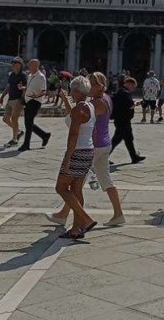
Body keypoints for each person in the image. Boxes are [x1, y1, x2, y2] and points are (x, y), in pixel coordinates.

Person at [49, 71, 126, 229]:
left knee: (71, 186)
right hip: (101, 144)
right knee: (87, 183)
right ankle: (69, 217)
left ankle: (81, 219)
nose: (89, 87)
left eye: (92, 83)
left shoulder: (95, 103)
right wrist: (67, 100)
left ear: (99, 86)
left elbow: (78, 121)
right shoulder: (102, 99)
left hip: (93, 147)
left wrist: (69, 156)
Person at [54, 75, 97, 241]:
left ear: (78, 91)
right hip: (88, 149)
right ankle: (76, 229)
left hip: (77, 151)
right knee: (77, 189)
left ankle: (85, 219)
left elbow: (73, 133)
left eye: (72, 89)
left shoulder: (79, 109)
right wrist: (66, 100)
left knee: (61, 187)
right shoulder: (89, 106)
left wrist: (69, 157)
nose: (71, 91)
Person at [17, 59, 51, 153]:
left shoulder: (41, 77)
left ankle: (26, 144)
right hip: (28, 101)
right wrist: (22, 88)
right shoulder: (30, 75)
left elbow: (44, 90)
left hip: (35, 101)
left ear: (36, 66)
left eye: (31, 65)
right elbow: (29, 87)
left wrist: (37, 95)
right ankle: (44, 135)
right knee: (28, 123)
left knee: (28, 122)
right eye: (29, 65)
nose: (29, 67)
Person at [111, 77, 145, 164]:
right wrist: (137, 103)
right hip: (122, 120)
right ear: (129, 84)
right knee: (116, 140)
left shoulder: (121, 92)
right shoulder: (124, 93)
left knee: (129, 139)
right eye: (133, 87)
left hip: (123, 120)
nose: (134, 89)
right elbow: (129, 105)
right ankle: (102, 157)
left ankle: (134, 157)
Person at [0, 56, 26, 147]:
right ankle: (18, 131)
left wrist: (22, 100)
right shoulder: (11, 75)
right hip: (10, 100)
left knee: (14, 119)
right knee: (5, 119)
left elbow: (25, 89)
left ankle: (14, 139)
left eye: (15, 62)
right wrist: (2, 97)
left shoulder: (23, 75)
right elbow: (8, 87)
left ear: (20, 65)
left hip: (18, 100)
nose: (13, 64)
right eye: (13, 62)